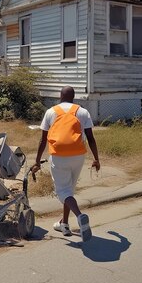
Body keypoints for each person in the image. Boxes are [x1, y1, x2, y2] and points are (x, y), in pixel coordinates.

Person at [32, 86, 100, 242]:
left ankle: (80, 216)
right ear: (74, 97)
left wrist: (37, 161)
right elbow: (91, 138)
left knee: (63, 191)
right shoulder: (82, 111)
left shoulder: (51, 112)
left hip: (59, 157)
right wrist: (96, 159)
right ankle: (64, 224)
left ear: (60, 96)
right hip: (78, 156)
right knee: (68, 191)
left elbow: (43, 140)